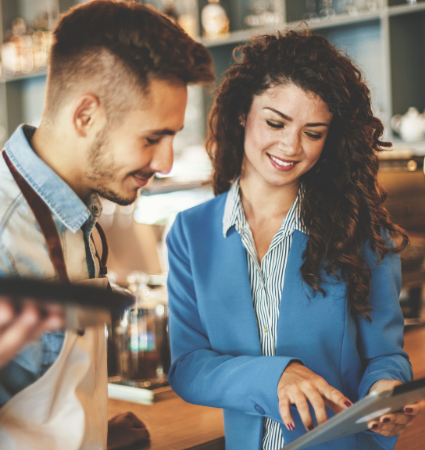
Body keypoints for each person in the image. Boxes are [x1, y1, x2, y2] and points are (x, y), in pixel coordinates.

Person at [0, 1, 214, 449]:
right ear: (85, 116)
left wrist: (91, 435)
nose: (166, 161)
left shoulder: (79, 210)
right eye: (152, 138)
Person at [166, 29, 424, 450]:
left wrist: (384, 392)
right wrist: (277, 376)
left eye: (314, 132)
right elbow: (189, 366)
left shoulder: (359, 231)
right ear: (241, 114)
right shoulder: (191, 233)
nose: (291, 145)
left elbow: (385, 356)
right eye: (275, 122)